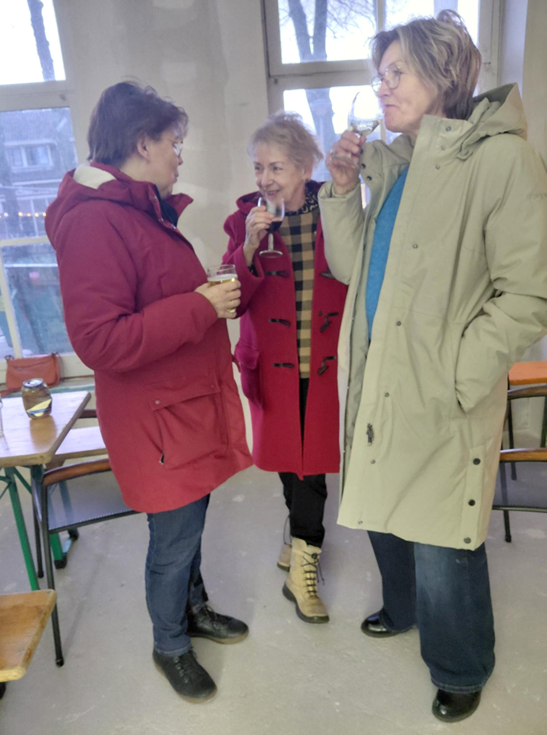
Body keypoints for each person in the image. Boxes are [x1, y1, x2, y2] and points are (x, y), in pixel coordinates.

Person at [319, 11, 547, 723]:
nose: (381, 87)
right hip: (378, 371)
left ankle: (460, 666)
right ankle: (402, 605)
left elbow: (529, 294)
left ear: (443, 74)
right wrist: (341, 189)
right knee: (384, 509)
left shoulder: (501, 161)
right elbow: (352, 268)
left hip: (441, 385)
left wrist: (456, 373)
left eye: (396, 73)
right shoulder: (397, 164)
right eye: (378, 75)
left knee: (444, 534)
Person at [45, 82, 253, 704]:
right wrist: (200, 306)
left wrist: (203, 296)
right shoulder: (94, 221)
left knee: (189, 524)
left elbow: (152, 299)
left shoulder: (137, 211)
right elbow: (100, 340)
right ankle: (170, 645)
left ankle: (193, 609)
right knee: (173, 539)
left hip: (181, 410)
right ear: (142, 143)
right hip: (157, 421)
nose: (179, 155)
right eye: (173, 143)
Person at [223, 112, 347, 624]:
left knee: (310, 466)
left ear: (304, 167)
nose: (265, 179)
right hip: (271, 365)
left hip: (324, 363)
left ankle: (303, 567)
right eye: (259, 168)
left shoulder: (336, 210)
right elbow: (231, 300)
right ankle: (296, 537)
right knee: (286, 459)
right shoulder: (244, 221)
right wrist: (248, 247)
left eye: (276, 167)